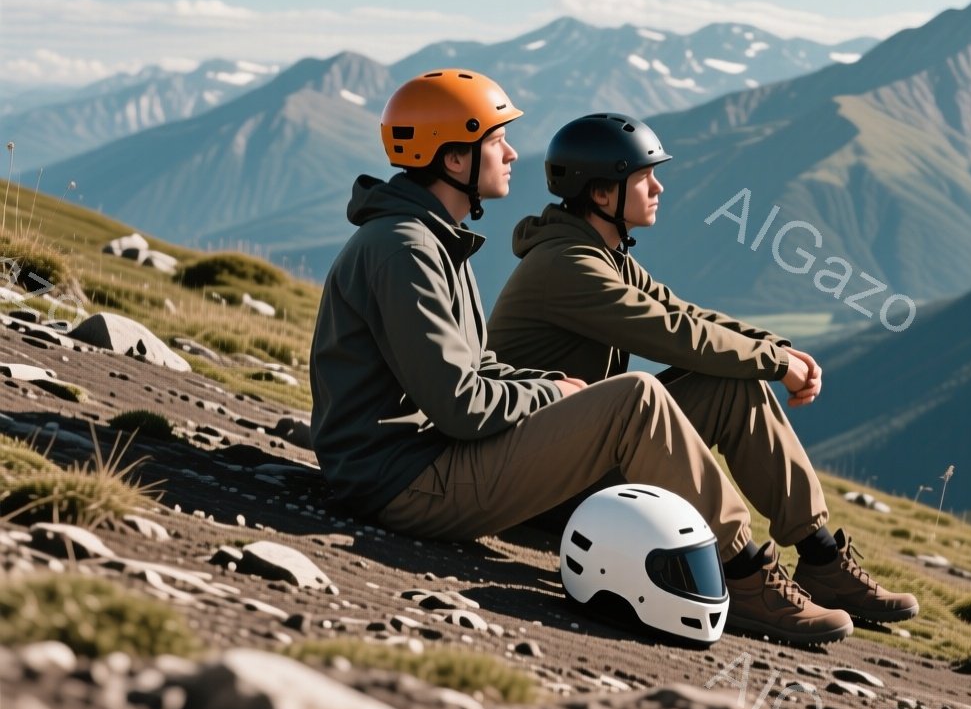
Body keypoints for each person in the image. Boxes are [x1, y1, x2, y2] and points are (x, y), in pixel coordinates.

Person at [309, 72, 854, 646]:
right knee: (636, 396)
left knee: (706, 388)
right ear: (452, 157)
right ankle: (743, 574)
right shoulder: (407, 249)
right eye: (496, 141)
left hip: (432, 463)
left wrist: (550, 383)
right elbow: (460, 406)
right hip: (405, 483)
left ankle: (818, 559)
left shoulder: (435, 240)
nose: (513, 153)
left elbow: (478, 368)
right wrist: (556, 394)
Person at [487, 111, 920, 630]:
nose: (658, 186)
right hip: (541, 490)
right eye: (643, 177)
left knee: (732, 385)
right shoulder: (567, 267)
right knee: (706, 384)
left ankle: (821, 558)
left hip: (578, 461)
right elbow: (677, 336)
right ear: (601, 194)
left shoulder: (602, 255)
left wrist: (778, 349)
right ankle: (742, 574)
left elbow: (685, 313)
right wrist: (777, 362)